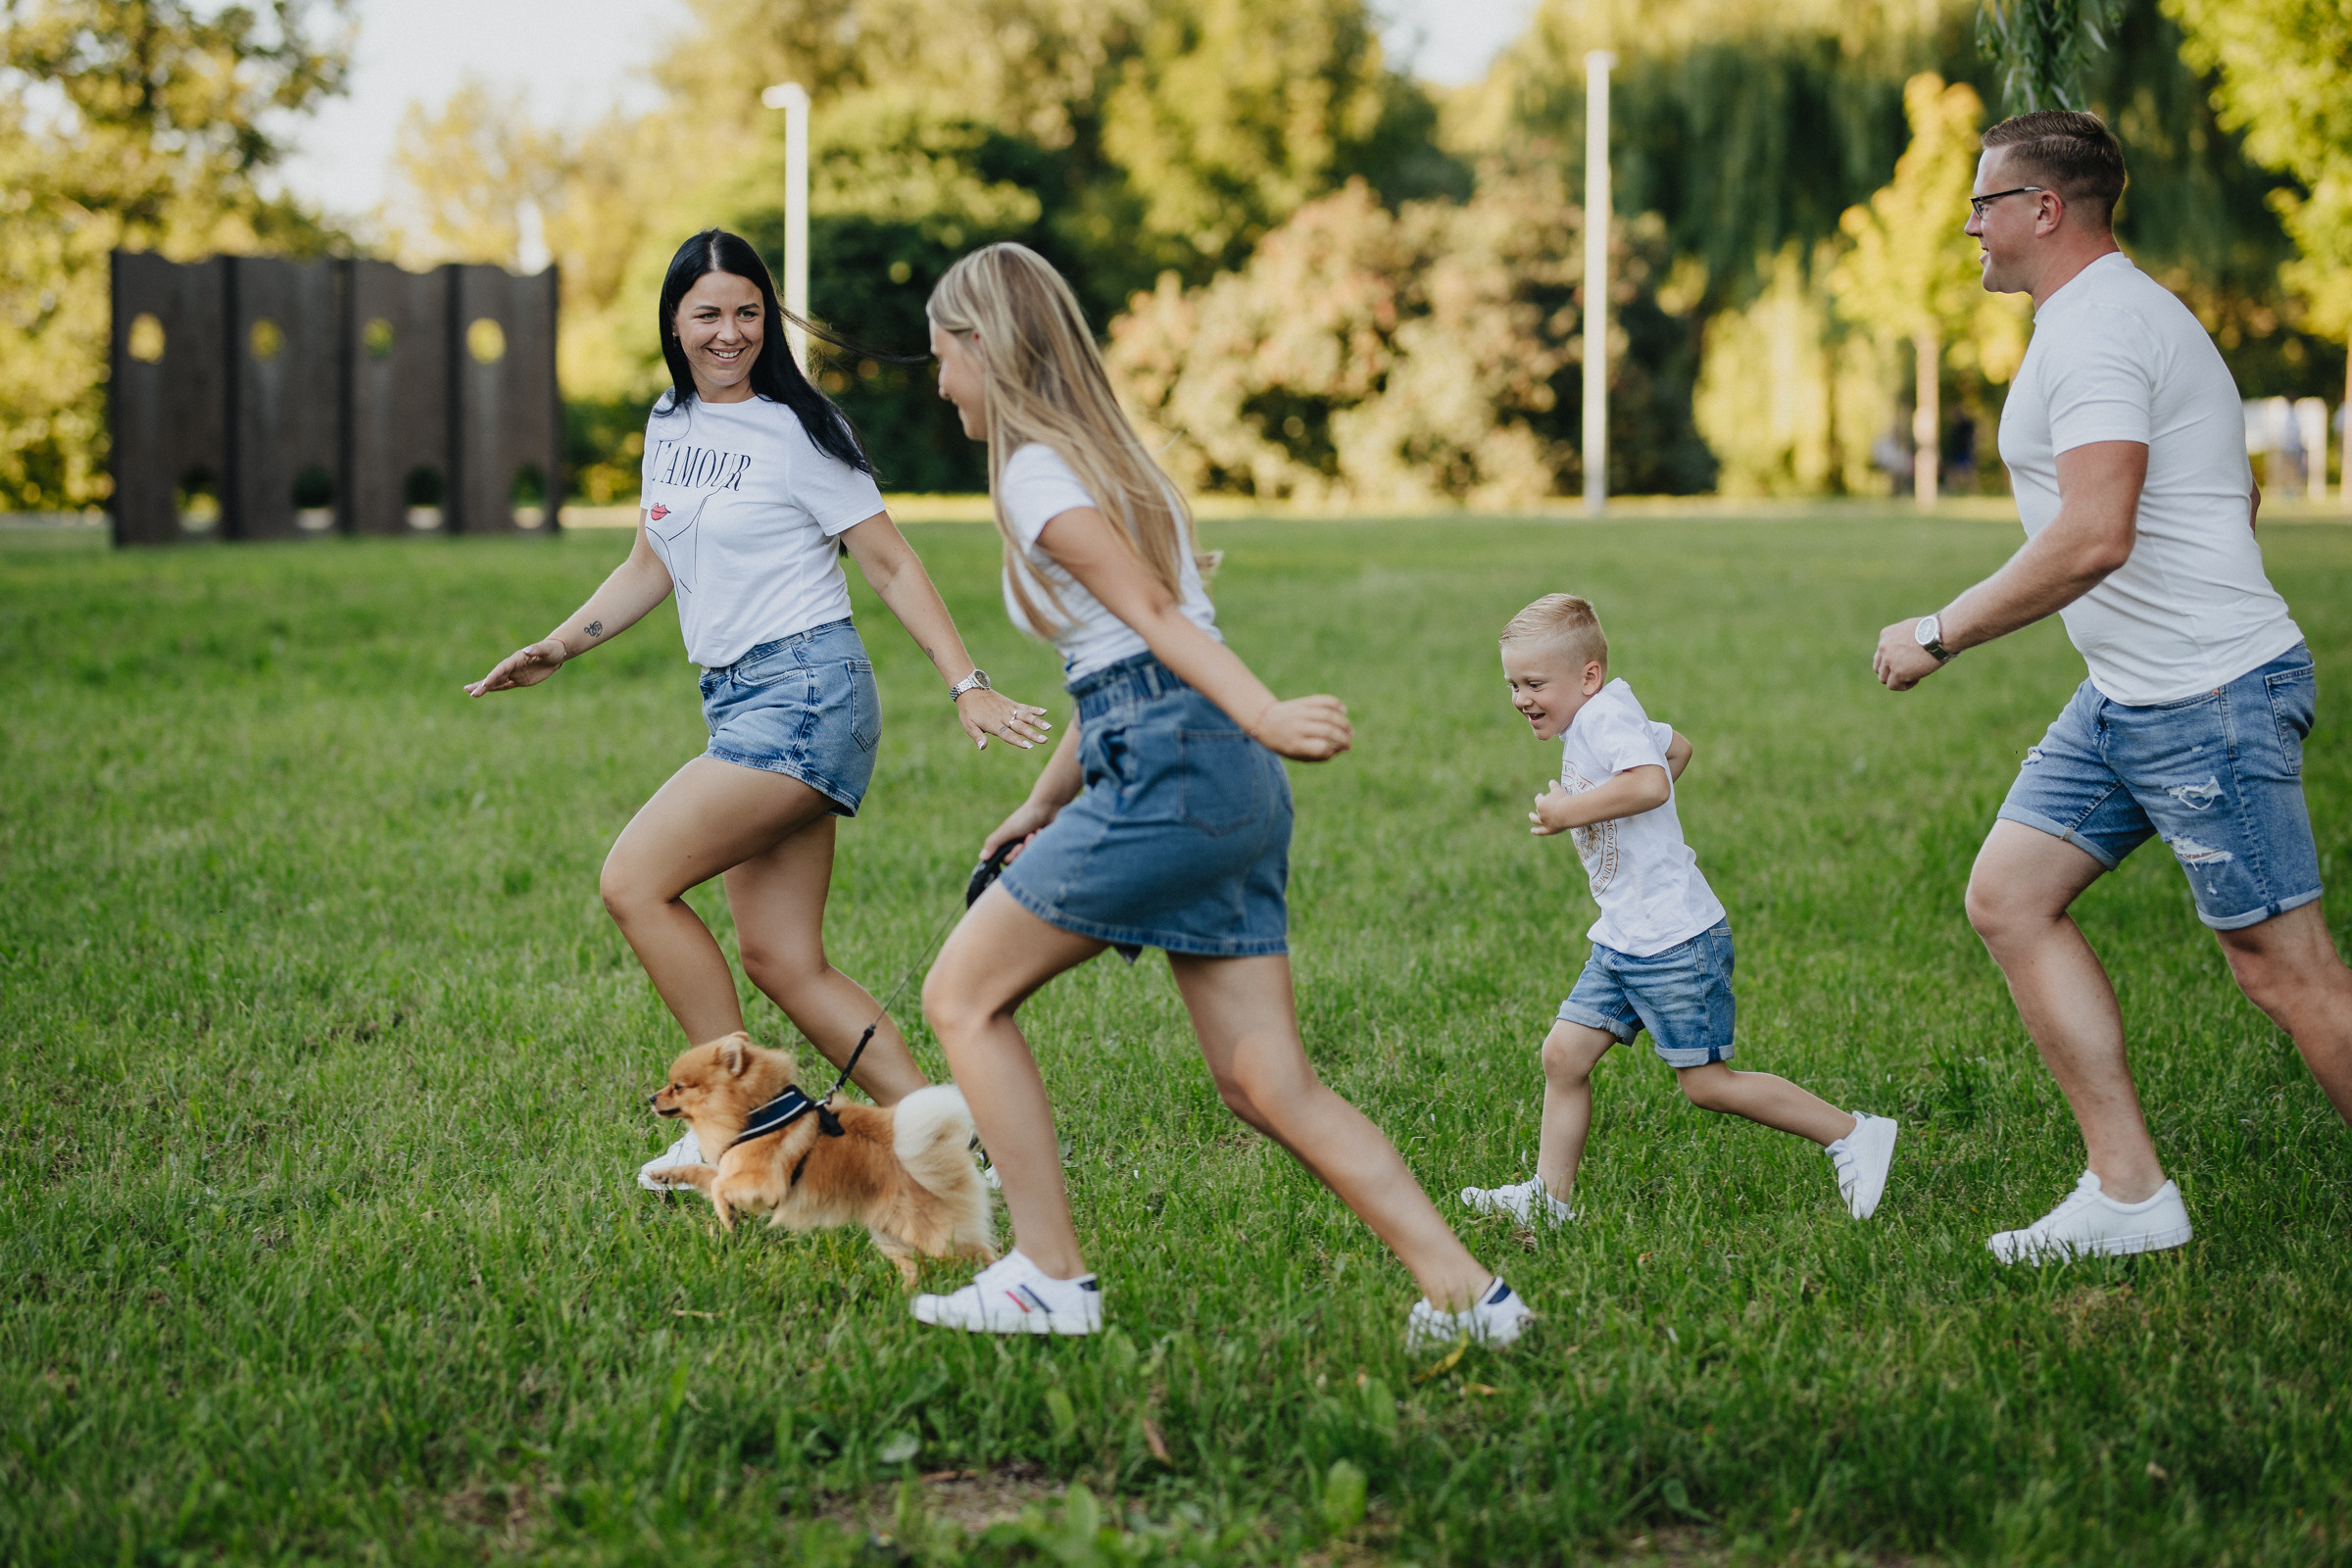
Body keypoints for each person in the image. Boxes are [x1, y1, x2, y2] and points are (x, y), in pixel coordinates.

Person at [908, 242, 1528, 1348]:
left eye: (939, 355)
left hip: (1182, 763)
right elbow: (1107, 666)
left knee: (962, 995)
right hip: (1207, 773)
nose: (935, 379)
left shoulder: (1035, 474)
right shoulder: (1104, 465)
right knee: (1268, 1084)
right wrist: (1046, 803)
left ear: (980, 348)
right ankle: (1471, 1298)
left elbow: (1153, 616)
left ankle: (1047, 1275)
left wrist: (1264, 712)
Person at [465, 229, 1050, 1186]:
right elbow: (650, 562)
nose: (729, 332)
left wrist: (965, 681)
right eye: (708, 313)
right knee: (784, 957)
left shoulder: (794, 428)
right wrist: (558, 647)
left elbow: (890, 560)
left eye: (747, 312)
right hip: (739, 703)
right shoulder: (670, 423)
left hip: (809, 694)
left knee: (634, 880)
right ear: (674, 322)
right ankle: (953, 1144)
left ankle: (738, 1117)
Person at [1874, 111, 2352, 1262]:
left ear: (2045, 209)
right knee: (2009, 895)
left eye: (1984, 203)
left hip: (2206, 699)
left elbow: (2094, 536)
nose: (1971, 226)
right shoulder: (2114, 315)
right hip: (2135, 694)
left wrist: (1940, 632)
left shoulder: (2098, 330)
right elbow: (2229, 487)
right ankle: (2130, 1193)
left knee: (2286, 974)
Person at [1461, 595, 1901, 1227]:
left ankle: (1852, 1133)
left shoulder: (1604, 719)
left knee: (1707, 1085)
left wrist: (1567, 813)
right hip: (1623, 939)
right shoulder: (1604, 713)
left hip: (1672, 940)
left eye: (1534, 683)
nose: (1520, 698)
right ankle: (1547, 1200)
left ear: (1587, 677)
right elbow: (1678, 748)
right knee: (1563, 1056)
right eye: (1512, 684)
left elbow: (1650, 781)